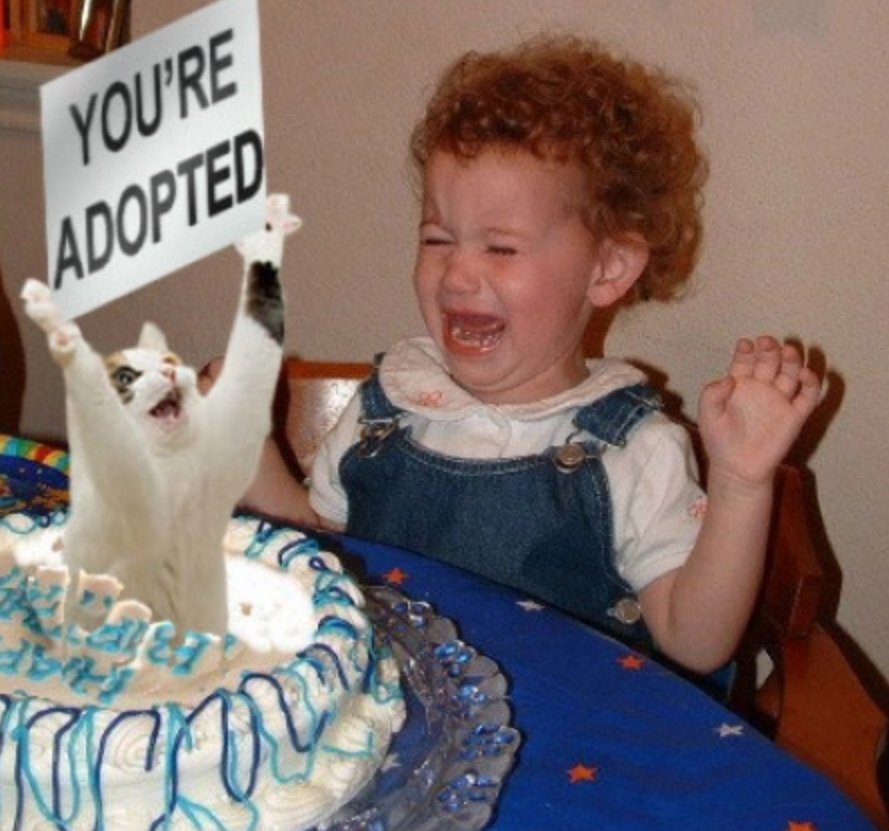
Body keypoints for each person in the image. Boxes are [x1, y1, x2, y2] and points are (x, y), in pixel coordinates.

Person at [237, 35, 821, 675]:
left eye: (501, 248)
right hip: (386, 723)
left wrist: (740, 482)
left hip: (570, 736)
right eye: (438, 239)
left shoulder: (633, 451)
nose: (458, 273)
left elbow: (695, 643)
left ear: (607, 268)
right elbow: (315, 552)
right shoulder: (387, 410)